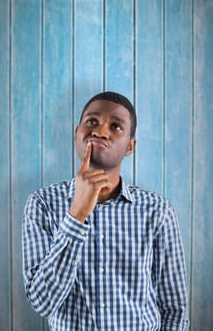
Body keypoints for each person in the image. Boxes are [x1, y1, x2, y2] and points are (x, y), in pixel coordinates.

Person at [22, 91, 189, 330]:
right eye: (92, 122)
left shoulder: (158, 212)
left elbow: (175, 309)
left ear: (130, 147)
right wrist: (76, 215)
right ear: (76, 133)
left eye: (116, 126)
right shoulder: (42, 204)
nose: (100, 132)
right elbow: (42, 303)